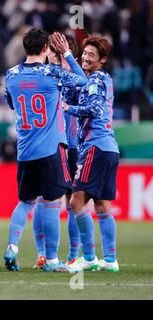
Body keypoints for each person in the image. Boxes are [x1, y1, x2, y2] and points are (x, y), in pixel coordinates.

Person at [3, 28, 87, 273]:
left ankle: (12, 246)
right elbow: (81, 81)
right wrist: (68, 54)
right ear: (44, 49)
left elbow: (10, 102)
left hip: (25, 149)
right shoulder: (52, 73)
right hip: (51, 148)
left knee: (25, 202)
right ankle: (51, 259)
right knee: (52, 202)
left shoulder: (11, 75)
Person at [55, 34, 120, 272]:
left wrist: (67, 108)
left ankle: (90, 258)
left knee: (76, 201)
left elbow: (94, 108)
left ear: (102, 59)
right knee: (102, 205)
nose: (86, 57)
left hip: (95, 146)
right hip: (108, 147)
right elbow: (80, 88)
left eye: (92, 55)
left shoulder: (96, 79)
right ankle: (110, 260)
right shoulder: (104, 79)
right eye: (85, 53)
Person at [31, 33, 85, 270]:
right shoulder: (44, 76)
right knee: (44, 200)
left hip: (72, 146)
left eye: (54, 51)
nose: (49, 55)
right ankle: (43, 254)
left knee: (73, 202)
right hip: (50, 145)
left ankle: (73, 254)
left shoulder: (70, 77)